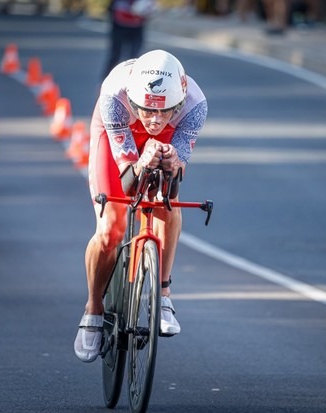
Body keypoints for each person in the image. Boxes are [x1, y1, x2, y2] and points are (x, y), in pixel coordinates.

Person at [74, 49, 208, 363]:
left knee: (166, 201)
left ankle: (163, 295)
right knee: (111, 228)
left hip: (167, 138)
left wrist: (173, 163)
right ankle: (93, 308)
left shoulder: (195, 105)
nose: (155, 119)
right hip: (115, 131)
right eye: (147, 110)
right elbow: (125, 185)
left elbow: (174, 181)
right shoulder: (114, 94)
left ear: (180, 100)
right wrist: (137, 163)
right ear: (135, 99)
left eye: (166, 111)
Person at [101, 0, 156, 80]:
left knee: (134, 58)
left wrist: (147, 10)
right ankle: (105, 82)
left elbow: (148, 7)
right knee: (115, 55)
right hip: (120, 23)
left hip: (137, 25)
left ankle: (132, 83)